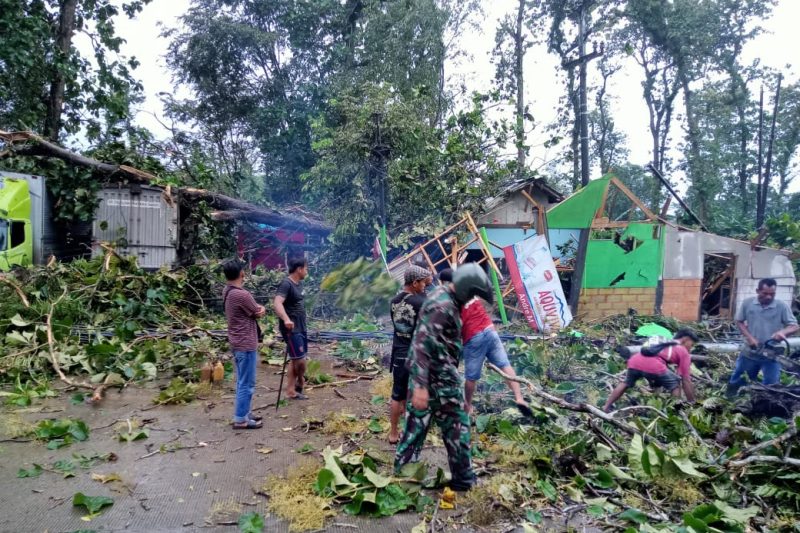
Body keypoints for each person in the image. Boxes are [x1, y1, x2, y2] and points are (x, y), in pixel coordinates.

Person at [394, 263, 494, 492]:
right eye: (473, 295)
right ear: (465, 290)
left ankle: (406, 476)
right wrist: (420, 386)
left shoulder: (446, 296)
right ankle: (459, 479)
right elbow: (421, 343)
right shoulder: (442, 305)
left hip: (439, 377)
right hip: (435, 380)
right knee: (449, 428)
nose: (472, 300)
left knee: (423, 428)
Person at [437, 268, 531, 417]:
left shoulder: (450, 298)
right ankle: (519, 398)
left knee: (471, 376)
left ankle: (467, 406)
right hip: (490, 330)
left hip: (474, 337)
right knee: (505, 365)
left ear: (444, 282)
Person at [727, 278, 798, 395]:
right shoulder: (748, 303)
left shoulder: (781, 306)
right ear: (757, 291)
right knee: (738, 381)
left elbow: (794, 326)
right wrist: (750, 338)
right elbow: (739, 321)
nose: (769, 297)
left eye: (772, 294)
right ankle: (730, 403)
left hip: (771, 354)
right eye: (765, 293)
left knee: (772, 386)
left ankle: (764, 407)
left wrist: (783, 333)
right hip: (750, 352)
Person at [603, 329, 699, 412]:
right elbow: (686, 380)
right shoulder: (682, 351)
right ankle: (675, 412)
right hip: (653, 364)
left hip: (635, 360)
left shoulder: (664, 341)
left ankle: (606, 407)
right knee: (675, 384)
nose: (691, 348)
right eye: (692, 344)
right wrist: (692, 402)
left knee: (625, 383)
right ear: (685, 339)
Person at [388, 265, 432, 444]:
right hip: (415, 354)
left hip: (398, 351)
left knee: (397, 393)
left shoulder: (394, 300)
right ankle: (410, 430)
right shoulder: (419, 302)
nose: (424, 287)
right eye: (423, 284)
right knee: (414, 393)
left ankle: (392, 433)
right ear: (414, 283)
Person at [222, 259, 266, 430]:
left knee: (243, 381)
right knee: (246, 383)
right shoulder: (242, 294)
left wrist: (257, 310)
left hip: (236, 341)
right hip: (245, 343)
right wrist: (262, 309)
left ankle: (245, 413)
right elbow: (257, 312)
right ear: (242, 274)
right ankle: (240, 419)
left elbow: (252, 312)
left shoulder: (227, 291)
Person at [274, 257, 310, 401]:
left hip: (301, 326)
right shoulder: (286, 284)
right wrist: (286, 319)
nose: (307, 271)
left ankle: (290, 390)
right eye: (306, 268)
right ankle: (300, 380)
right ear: (299, 269)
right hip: (291, 328)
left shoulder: (299, 284)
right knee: (300, 361)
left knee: (295, 359)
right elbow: (277, 303)